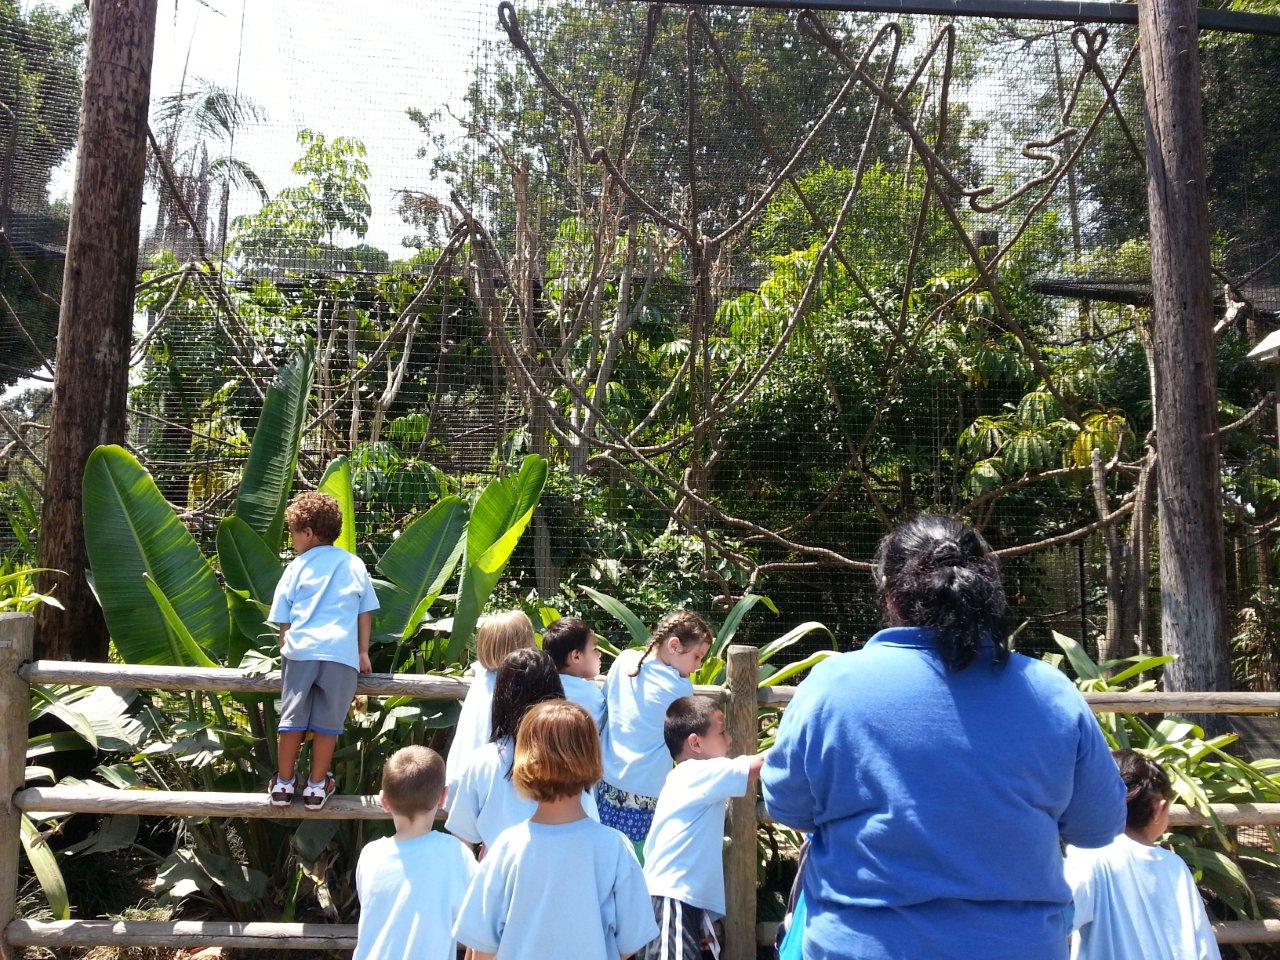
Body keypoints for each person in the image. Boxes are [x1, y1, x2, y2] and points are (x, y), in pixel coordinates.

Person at [761, 514, 1127, 960]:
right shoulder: (1050, 691)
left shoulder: (831, 686)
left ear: (890, 593)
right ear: (985, 588)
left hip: (862, 946)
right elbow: (1098, 826)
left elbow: (788, 806)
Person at [453, 700, 658, 960]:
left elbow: (482, 945)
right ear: (592, 756)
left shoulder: (507, 848)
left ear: (525, 759)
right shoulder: (614, 847)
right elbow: (631, 942)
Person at [267, 492, 379, 811]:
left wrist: (284, 647)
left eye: (293, 532)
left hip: (301, 651)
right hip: (341, 655)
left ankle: (285, 783)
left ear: (308, 533)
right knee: (328, 722)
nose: (292, 540)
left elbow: (283, 617)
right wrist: (362, 652)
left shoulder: (297, 566)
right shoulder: (354, 563)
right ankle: (317, 786)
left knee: (291, 719)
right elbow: (364, 611)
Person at [640, 695, 765, 960]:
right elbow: (758, 765)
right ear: (695, 743)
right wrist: (803, 734)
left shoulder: (686, 779)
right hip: (671, 899)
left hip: (680, 903)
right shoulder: (694, 772)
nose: (729, 739)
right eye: (721, 732)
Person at [1065, 749, 1220, 960]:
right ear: (1159, 808)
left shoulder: (1088, 857)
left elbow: (1050, 921)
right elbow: (1204, 949)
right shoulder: (1176, 867)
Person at [447, 647, 598, 849]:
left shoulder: (481, 763)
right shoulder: (571, 757)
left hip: (502, 871)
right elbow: (590, 820)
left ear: (501, 696)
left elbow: (462, 840)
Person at [599, 612, 713, 853]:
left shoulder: (624, 660)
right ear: (674, 646)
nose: (698, 665)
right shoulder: (680, 688)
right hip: (646, 791)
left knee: (604, 857)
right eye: (697, 656)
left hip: (605, 781)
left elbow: (607, 704)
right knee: (638, 865)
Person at [353, 746, 476, 960]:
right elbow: (480, 916)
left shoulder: (370, 855)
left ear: (384, 801)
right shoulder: (455, 854)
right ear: (443, 797)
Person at [446, 610, 536, 797]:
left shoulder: (484, 674)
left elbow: (479, 666)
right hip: (502, 773)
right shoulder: (523, 682)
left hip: (470, 772)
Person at [542, 617, 606, 730]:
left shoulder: (542, 687)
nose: (599, 654)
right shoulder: (591, 693)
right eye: (594, 649)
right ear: (576, 656)